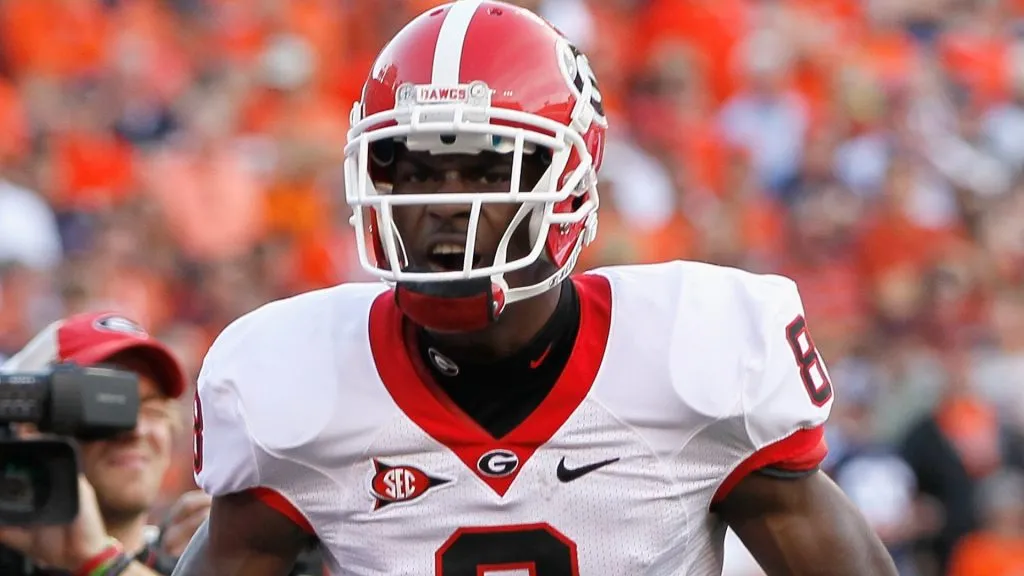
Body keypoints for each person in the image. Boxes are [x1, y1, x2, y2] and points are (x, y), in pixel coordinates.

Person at [175, 2, 897, 574]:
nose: (444, 203)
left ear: (571, 184)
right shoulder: (298, 382)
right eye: (416, 170)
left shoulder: (693, 354)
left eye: (489, 168)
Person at [0, 311, 211, 575]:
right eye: (106, 403)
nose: (135, 429)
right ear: (27, 428)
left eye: (152, 409)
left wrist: (101, 562)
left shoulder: (202, 563)